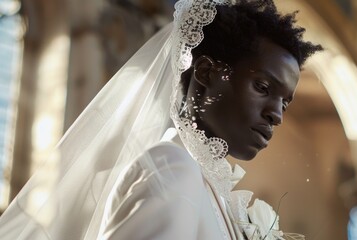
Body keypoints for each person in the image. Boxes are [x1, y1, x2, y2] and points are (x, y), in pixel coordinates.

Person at [0, 0, 322, 239]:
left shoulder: (214, 192)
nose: (277, 115)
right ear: (207, 72)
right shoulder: (172, 168)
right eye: (263, 87)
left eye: (285, 102)